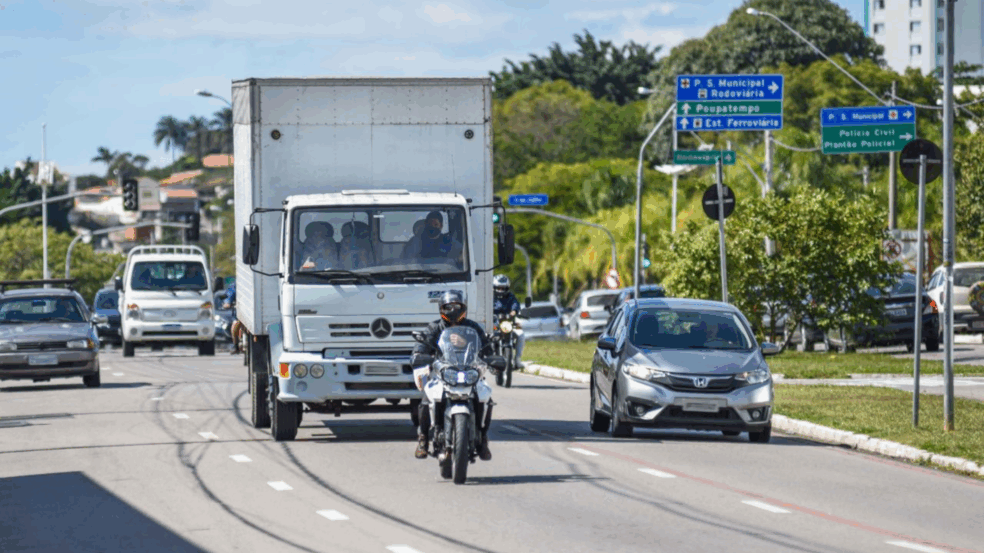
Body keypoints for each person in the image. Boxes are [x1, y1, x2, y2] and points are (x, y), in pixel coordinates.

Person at [413, 290, 494, 461]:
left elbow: (487, 349)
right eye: (448, 306)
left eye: (457, 306)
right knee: (427, 398)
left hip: (469, 371)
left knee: (485, 397)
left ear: (464, 307)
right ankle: (423, 439)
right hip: (443, 372)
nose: (453, 310)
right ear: (441, 308)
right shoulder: (434, 328)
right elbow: (422, 347)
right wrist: (419, 356)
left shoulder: (473, 327)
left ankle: (483, 438)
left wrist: (492, 358)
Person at [492, 274, 525, 366]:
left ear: (507, 288)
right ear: (494, 287)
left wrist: (514, 311)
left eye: (503, 288)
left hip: (509, 322)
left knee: (521, 335)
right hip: (494, 323)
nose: (501, 290)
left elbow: (515, 305)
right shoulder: (489, 297)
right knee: (485, 335)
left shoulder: (511, 296)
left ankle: (517, 360)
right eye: (498, 288)